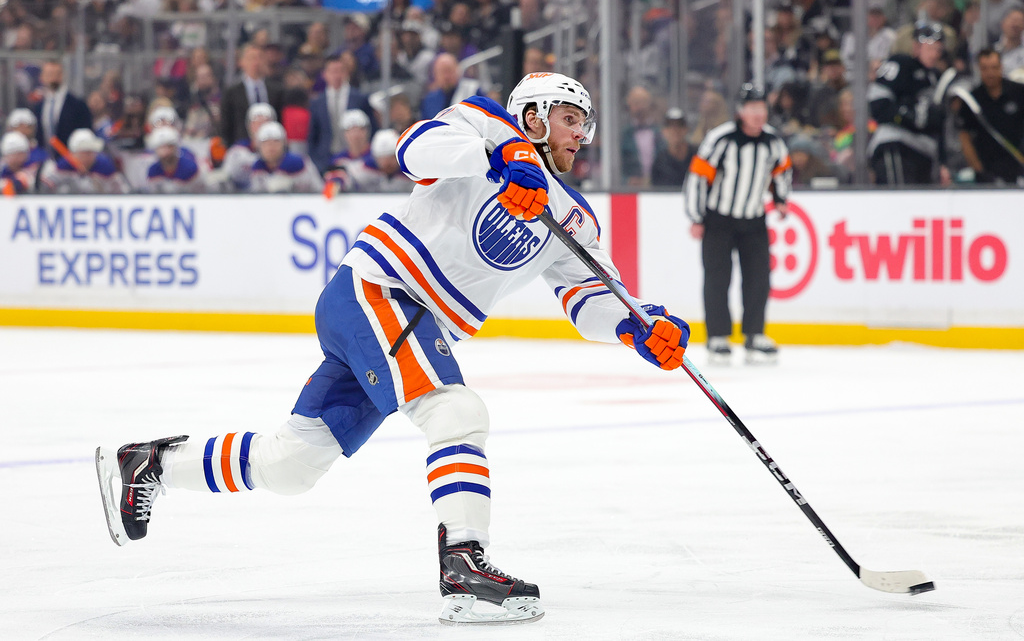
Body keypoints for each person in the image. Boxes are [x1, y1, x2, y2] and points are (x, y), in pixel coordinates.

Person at [95, 72, 690, 626]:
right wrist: (502, 154)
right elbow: (413, 149)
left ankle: (151, 464)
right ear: (532, 115)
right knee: (455, 411)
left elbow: (588, 298)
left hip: (402, 323)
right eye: (569, 118)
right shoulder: (485, 127)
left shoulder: (575, 219)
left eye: (584, 124)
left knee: (291, 465)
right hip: (381, 290)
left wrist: (639, 326)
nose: (580, 133)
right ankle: (464, 564)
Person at [684, 83, 792, 365]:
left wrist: (780, 199)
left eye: (761, 108)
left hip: (754, 219)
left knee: (758, 278)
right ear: (741, 111)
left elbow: (782, 170)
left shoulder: (773, 141)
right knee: (718, 278)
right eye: (752, 108)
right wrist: (696, 217)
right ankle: (717, 336)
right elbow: (698, 177)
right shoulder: (720, 139)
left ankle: (754, 334)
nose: (758, 114)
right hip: (718, 219)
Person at [868, 21, 951, 186]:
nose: (935, 54)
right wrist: (908, 116)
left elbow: (939, 125)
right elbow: (878, 105)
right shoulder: (899, 63)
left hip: (925, 155)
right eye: (930, 48)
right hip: (897, 145)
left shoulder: (937, 77)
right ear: (916, 47)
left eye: (938, 49)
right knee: (899, 198)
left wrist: (942, 162)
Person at [956, 48, 1024, 184]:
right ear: (978, 69)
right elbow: (965, 137)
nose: (990, 73)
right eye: (985, 68)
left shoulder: (1019, 93)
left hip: (1018, 166)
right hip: (987, 172)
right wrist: (979, 170)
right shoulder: (972, 100)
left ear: (1001, 67)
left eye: (994, 67)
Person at [307, 55, 376, 174]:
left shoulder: (360, 98)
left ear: (346, 73)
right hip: (325, 158)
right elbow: (313, 135)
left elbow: (371, 127)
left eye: (340, 71)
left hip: (355, 158)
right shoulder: (317, 102)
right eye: (333, 71)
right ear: (325, 74)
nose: (337, 76)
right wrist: (316, 159)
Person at [219, 44, 285, 147]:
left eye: (260, 58)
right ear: (242, 62)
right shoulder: (232, 92)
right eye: (252, 58)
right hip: (241, 145)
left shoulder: (277, 90)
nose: (256, 62)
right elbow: (227, 124)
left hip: (270, 146)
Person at [38, 128, 129, 194]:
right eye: (84, 152)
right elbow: (44, 187)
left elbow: (124, 191)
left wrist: (93, 179)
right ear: (73, 154)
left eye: (91, 152)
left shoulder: (105, 167)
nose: (88, 156)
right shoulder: (62, 167)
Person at [32, 60, 93, 154]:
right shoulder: (39, 106)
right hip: (45, 158)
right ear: (42, 77)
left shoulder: (77, 105)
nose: (53, 78)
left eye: (57, 74)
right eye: (49, 74)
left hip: (70, 158)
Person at [247, 121, 324, 193]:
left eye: (276, 142)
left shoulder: (300, 164)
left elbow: (319, 189)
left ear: (284, 143)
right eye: (266, 143)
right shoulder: (257, 168)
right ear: (259, 146)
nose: (271, 147)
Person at [222, 103, 277, 191]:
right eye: (257, 123)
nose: (261, 127)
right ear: (250, 125)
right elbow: (227, 177)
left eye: (265, 122)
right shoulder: (237, 151)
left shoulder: (283, 153)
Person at [143, 126, 206, 193]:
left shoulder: (190, 168)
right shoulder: (153, 170)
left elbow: (199, 194)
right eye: (162, 147)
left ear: (176, 147)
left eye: (169, 146)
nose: (166, 151)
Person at [650, 107, 695, 190]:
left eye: (679, 125)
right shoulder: (659, 161)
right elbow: (656, 190)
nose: (675, 130)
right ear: (664, 131)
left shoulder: (698, 156)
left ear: (686, 129)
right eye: (670, 126)